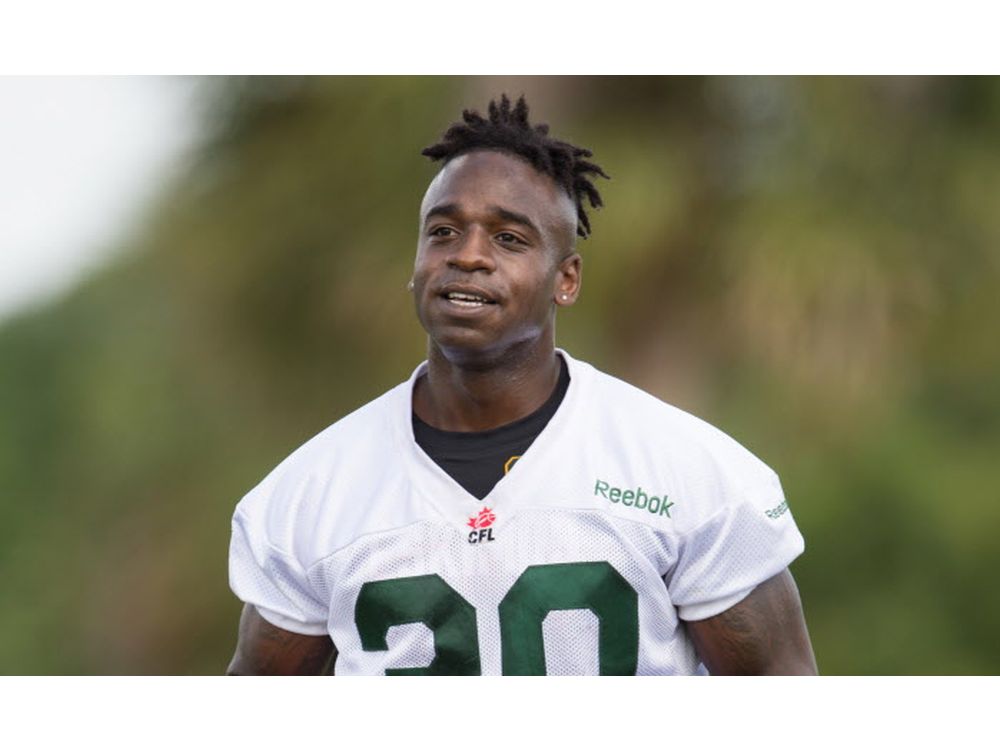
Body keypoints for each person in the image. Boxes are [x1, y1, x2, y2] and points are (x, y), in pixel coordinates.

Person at [227, 95, 817, 675]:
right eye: (443, 232)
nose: (469, 257)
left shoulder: (687, 472)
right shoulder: (310, 493)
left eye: (509, 238)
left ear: (566, 278)